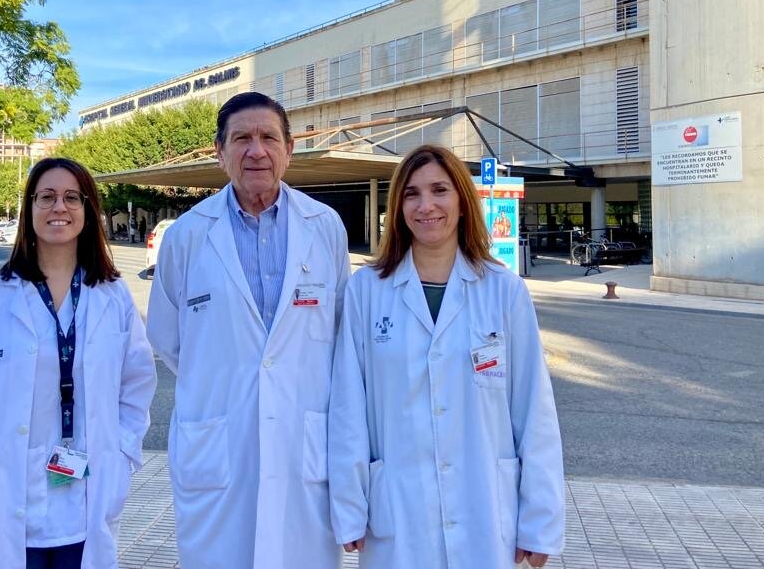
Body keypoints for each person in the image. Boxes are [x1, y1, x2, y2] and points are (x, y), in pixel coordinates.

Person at [328, 144, 564, 569]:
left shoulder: (503, 291)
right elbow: (348, 409)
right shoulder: (366, 292)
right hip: (397, 513)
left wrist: (540, 520)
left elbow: (534, 413)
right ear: (397, 206)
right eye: (412, 193)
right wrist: (349, 504)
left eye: (440, 190)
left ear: (461, 201)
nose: (427, 205)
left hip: (485, 511)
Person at [147, 92, 351, 569]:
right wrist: (230, 366)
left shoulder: (325, 227)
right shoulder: (188, 235)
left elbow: (340, 330)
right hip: (217, 446)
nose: (255, 151)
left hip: (304, 446)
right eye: (241, 138)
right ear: (220, 152)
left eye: (267, 138)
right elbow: (168, 338)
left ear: (289, 149)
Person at [0, 157, 157, 569]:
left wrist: (123, 454)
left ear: (88, 211)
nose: (59, 208)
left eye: (72, 197)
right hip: (4, 494)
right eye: (46, 197)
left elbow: (137, 383)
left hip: (87, 498)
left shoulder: (113, 296)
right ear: (29, 209)